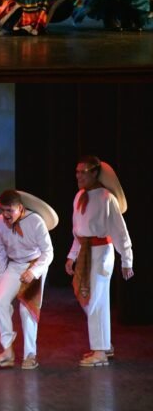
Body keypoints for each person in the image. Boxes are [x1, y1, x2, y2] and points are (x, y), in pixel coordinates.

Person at [65, 156, 134, 367]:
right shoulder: (79, 197)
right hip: (86, 252)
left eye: (83, 172)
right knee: (87, 298)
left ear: (95, 173)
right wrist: (72, 255)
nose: (79, 176)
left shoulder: (106, 198)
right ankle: (104, 345)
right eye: (77, 172)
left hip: (102, 252)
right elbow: (78, 231)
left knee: (96, 300)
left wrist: (127, 259)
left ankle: (100, 351)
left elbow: (120, 230)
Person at [0, 190, 54, 370]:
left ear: (20, 208)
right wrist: (1, 279)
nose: (5, 215)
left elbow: (48, 252)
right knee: (0, 302)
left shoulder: (36, 221)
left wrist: (34, 271)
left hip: (34, 263)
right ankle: (7, 351)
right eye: (3, 210)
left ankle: (30, 354)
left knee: (26, 309)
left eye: (10, 210)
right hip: (14, 265)